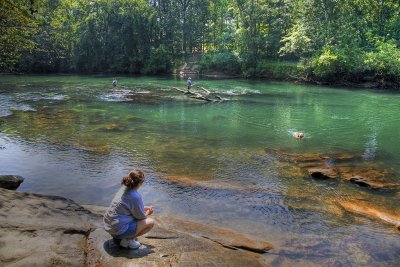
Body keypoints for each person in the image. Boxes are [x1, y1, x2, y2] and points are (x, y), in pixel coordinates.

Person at [103, 169, 155, 249]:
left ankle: (120, 238)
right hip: (117, 230)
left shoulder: (123, 188)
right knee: (150, 222)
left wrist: (145, 207)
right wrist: (149, 211)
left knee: (133, 218)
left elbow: (128, 206)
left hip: (108, 226)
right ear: (140, 183)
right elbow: (142, 217)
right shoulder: (135, 196)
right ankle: (127, 240)